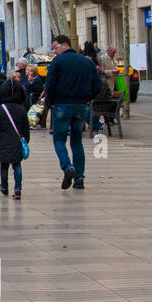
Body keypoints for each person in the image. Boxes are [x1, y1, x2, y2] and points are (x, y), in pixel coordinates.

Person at [44, 35, 102, 191]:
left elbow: (50, 85)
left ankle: (67, 167)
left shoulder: (57, 62)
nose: (54, 51)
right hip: (80, 105)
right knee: (77, 141)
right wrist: (87, 98)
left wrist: (49, 101)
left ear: (65, 45)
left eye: (55, 47)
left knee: (59, 139)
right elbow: (98, 86)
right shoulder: (86, 62)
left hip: (61, 105)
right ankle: (79, 178)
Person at [0, 78, 30, 200]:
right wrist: (26, 139)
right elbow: (25, 127)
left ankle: (4, 186)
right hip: (17, 141)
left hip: (2, 142)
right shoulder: (21, 109)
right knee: (17, 165)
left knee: (4, 166)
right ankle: (18, 189)